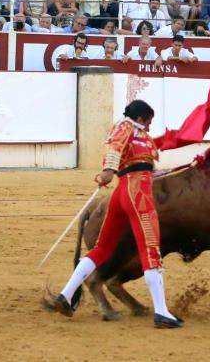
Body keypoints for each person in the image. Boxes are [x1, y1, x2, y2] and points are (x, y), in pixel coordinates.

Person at [44, 99, 182, 328]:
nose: (149, 127)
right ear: (139, 118)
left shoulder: (142, 138)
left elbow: (147, 160)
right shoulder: (126, 126)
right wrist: (108, 170)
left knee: (103, 248)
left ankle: (66, 296)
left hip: (124, 193)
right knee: (150, 249)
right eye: (148, 122)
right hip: (137, 194)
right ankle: (162, 312)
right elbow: (115, 145)